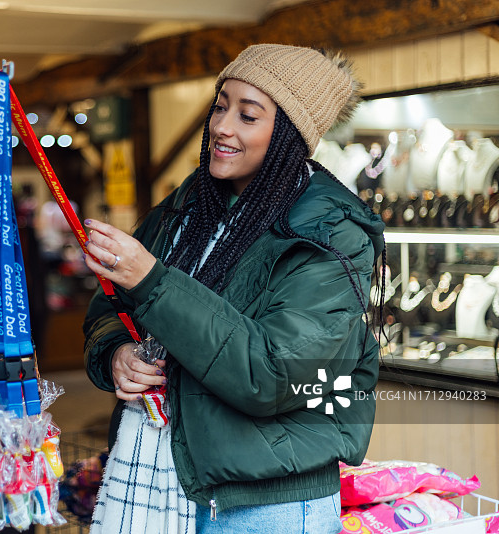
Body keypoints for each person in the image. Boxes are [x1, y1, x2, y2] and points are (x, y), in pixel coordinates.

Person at [81, 44, 386, 534]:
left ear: (288, 136)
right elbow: (109, 307)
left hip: (266, 509)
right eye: (221, 106)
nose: (223, 126)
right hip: (168, 482)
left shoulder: (332, 234)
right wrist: (115, 354)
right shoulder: (188, 206)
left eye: (248, 116)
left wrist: (153, 281)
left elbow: (273, 374)